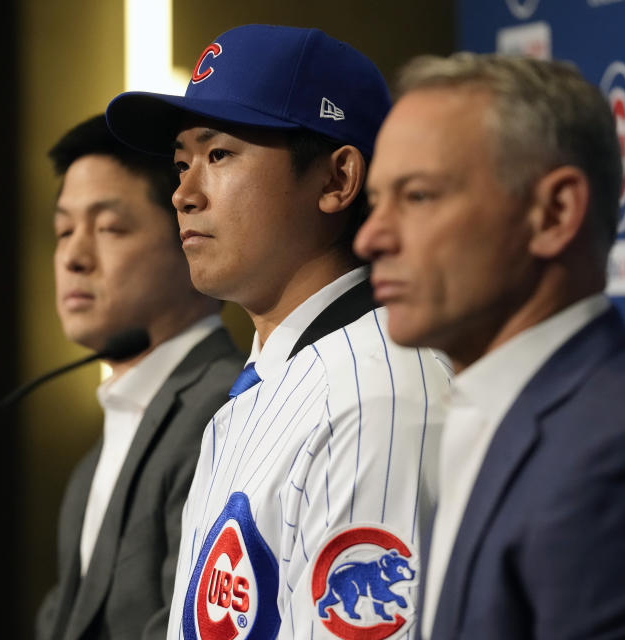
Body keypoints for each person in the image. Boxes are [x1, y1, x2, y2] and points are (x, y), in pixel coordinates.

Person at [353, 54, 625, 638]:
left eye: (418, 197)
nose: (371, 236)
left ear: (554, 213)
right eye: (377, 200)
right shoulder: (500, 416)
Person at [105, 24, 450, 640]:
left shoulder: (376, 397)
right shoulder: (265, 384)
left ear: (337, 180)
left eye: (219, 156)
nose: (183, 193)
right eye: (181, 164)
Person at [36, 114, 244, 640]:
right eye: (63, 231)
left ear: (188, 234)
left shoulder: (223, 410)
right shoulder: (90, 463)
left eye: (109, 228)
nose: (74, 257)